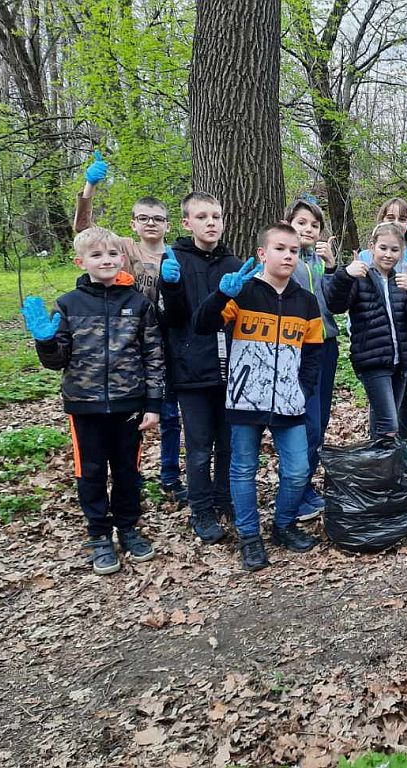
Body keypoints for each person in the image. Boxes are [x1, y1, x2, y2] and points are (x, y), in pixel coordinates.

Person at [21, 227, 163, 575]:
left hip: (129, 404)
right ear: (80, 261)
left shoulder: (137, 304)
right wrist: (46, 341)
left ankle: (128, 527)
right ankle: (99, 534)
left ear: (122, 258)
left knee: (129, 471)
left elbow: (154, 355)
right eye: (97, 255)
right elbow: (57, 360)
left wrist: (154, 403)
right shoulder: (69, 304)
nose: (106, 261)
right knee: (92, 472)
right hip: (84, 406)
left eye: (112, 254)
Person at [192, 223, 323, 571]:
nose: (288, 256)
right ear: (263, 254)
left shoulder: (306, 302)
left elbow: (313, 352)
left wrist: (303, 389)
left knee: (297, 471)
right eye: (280, 248)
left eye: (294, 251)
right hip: (245, 399)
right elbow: (201, 325)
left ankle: (283, 525)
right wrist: (221, 295)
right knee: (243, 470)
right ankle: (250, 537)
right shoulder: (244, 292)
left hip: (289, 402)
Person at [73, 151, 186, 504]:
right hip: (125, 343)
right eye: (143, 218)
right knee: (139, 413)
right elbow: (84, 231)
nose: (151, 224)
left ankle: (170, 476)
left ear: (169, 224)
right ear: (134, 223)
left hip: (168, 340)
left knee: (170, 414)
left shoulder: (178, 254)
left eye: (158, 218)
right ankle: (131, 477)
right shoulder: (122, 249)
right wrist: (90, 185)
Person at [158, 192, 243, 544]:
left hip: (230, 370)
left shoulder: (233, 263)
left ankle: (225, 500)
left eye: (217, 216)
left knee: (228, 443)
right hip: (191, 370)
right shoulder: (175, 258)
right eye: (203, 216)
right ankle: (201, 510)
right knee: (197, 446)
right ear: (187, 222)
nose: (211, 223)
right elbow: (174, 319)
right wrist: (171, 285)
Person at [325, 222, 407, 439]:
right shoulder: (360, 277)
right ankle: (385, 469)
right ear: (372, 247)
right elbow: (336, 305)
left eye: (394, 250)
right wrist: (345, 275)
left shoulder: (401, 280)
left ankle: (380, 467)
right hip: (373, 361)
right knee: (389, 424)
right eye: (383, 248)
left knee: (385, 422)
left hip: (400, 362)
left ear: (401, 252)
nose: (388, 254)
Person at [284, 198, 339, 522]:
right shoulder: (285, 260)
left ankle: (305, 487)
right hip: (297, 348)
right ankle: (296, 491)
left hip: (326, 344)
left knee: (320, 422)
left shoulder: (320, 261)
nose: (308, 229)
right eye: (301, 222)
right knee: (307, 423)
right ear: (289, 223)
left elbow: (336, 302)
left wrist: (332, 267)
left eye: (314, 225)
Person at [358, 198, 407, 437]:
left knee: (404, 399)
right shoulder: (366, 258)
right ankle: (380, 455)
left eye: (402, 218)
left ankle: (398, 451)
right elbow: (350, 301)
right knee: (384, 412)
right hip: (376, 347)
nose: (397, 223)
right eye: (391, 218)